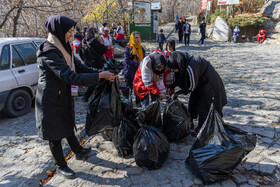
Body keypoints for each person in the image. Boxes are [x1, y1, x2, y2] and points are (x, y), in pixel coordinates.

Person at [36, 15, 116, 179]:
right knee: (55, 134)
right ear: (59, 30)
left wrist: (102, 73)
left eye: (72, 31)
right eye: (69, 31)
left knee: (67, 124)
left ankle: (78, 151)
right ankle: (61, 165)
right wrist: (100, 75)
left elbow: (79, 67)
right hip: (50, 100)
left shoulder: (64, 47)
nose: (71, 35)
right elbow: (69, 76)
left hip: (62, 95)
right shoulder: (48, 52)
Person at [167, 51, 227, 137]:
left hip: (209, 83)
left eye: (174, 68)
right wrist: (172, 86)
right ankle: (189, 122)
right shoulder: (183, 63)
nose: (173, 70)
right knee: (192, 103)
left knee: (203, 107)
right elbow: (179, 78)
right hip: (200, 84)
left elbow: (192, 87)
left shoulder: (191, 66)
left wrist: (178, 93)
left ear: (178, 63)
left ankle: (202, 128)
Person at [81, 27, 108, 102]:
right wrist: (101, 42)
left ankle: (88, 96)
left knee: (93, 80)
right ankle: (89, 96)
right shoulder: (94, 42)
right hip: (97, 64)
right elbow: (104, 50)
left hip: (87, 64)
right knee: (98, 80)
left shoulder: (83, 41)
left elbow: (80, 53)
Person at [122, 32, 144, 106]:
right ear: (132, 38)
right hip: (129, 72)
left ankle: (138, 103)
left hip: (138, 73)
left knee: (138, 89)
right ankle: (127, 104)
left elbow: (144, 59)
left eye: (139, 37)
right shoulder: (128, 48)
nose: (138, 39)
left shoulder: (141, 48)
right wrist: (137, 64)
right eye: (136, 37)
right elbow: (126, 60)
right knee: (128, 89)